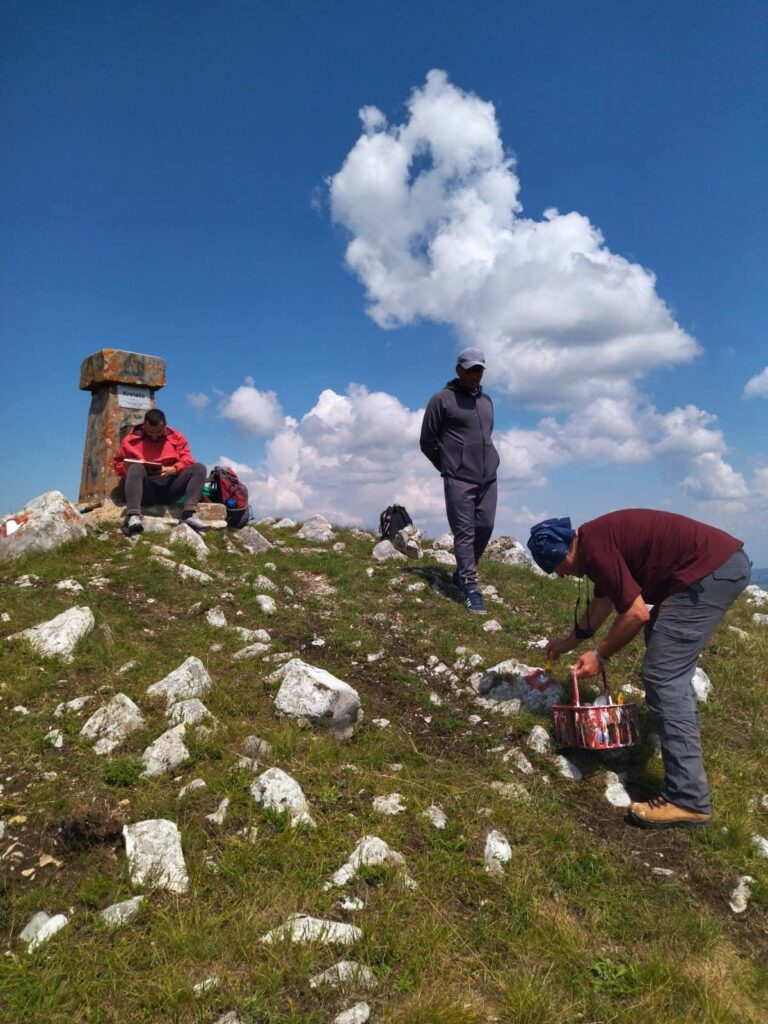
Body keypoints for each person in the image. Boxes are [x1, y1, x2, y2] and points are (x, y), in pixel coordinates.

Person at [527, 510, 750, 830]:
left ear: (562, 552)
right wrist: (569, 642)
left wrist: (600, 655)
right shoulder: (595, 543)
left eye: (555, 567)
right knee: (661, 646)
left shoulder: (596, 549)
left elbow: (635, 613)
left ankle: (688, 799)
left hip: (710, 573)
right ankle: (681, 733)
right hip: (718, 566)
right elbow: (602, 604)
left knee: (662, 674)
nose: (560, 575)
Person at [420, 348, 500, 614]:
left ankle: (462, 572)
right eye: (470, 369)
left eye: (479, 369)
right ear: (458, 370)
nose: (475, 374)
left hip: (488, 477)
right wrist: (448, 467)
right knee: (464, 533)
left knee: (485, 526)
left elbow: (486, 434)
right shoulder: (441, 400)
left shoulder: (487, 401)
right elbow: (427, 441)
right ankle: (470, 586)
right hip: (458, 478)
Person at [114, 409, 208, 535]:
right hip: (146, 490)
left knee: (199, 468)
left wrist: (174, 469)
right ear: (144, 425)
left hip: (171, 487)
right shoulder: (130, 440)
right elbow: (118, 465)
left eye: (158, 432)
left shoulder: (177, 437)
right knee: (135, 468)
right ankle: (133, 516)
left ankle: (188, 514)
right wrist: (133, 466)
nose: (154, 435)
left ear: (165, 425)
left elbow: (188, 459)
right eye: (150, 432)